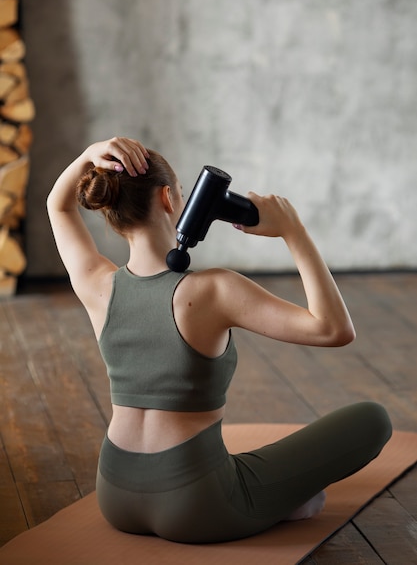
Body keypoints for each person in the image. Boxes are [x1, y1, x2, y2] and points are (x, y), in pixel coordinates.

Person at [47, 136, 392, 544]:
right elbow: (334, 329)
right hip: (196, 504)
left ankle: (273, 500)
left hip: (115, 495)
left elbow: (59, 205)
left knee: (250, 463)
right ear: (168, 199)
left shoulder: (97, 284)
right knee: (374, 418)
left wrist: (90, 153)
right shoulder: (215, 290)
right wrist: (293, 231)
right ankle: (276, 506)